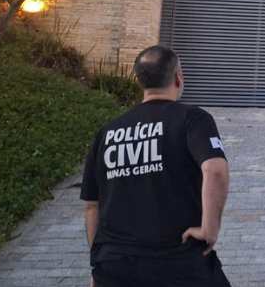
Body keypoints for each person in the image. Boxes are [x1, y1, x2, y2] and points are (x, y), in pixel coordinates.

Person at [81, 46, 231, 287]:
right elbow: (215, 170)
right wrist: (209, 229)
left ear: (139, 82)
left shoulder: (107, 133)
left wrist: (98, 265)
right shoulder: (192, 119)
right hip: (177, 262)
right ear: (178, 78)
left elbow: (92, 206)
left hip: (115, 267)